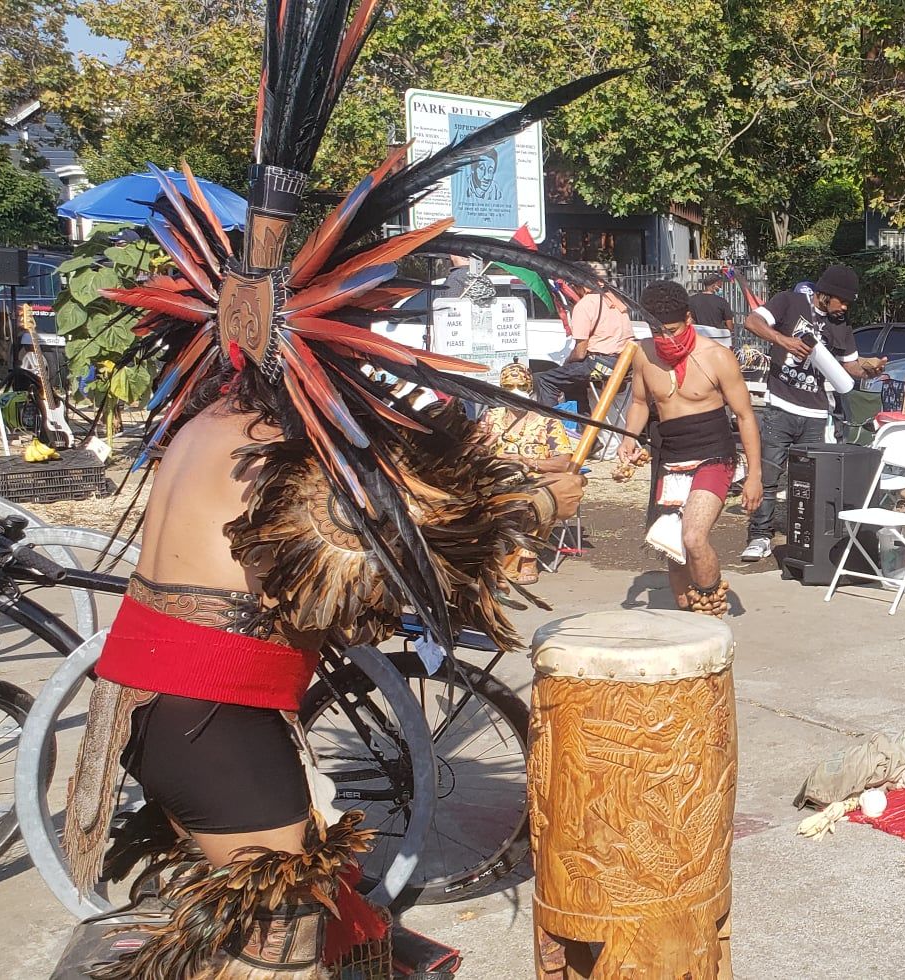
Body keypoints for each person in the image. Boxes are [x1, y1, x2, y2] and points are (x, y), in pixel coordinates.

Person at [61, 12, 616, 974]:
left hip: (159, 717)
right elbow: (397, 569)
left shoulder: (207, 425)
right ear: (320, 339)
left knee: (285, 930)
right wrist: (530, 501)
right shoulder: (283, 450)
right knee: (286, 953)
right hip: (217, 730)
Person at [618, 281, 763, 615]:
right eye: (657, 331)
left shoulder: (717, 356)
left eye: (671, 330)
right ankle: (689, 613)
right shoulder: (643, 353)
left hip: (714, 453)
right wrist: (629, 437)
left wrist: (755, 475)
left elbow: (745, 416)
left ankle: (712, 605)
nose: (665, 339)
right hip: (670, 455)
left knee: (694, 538)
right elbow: (640, 402)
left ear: (688, 318)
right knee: (673, 547)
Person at [739, 264, 887, 562]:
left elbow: (849, 368)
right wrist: (784, 341)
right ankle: (760, 535)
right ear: (824, 294)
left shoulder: (841, 325)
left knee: (807, 481)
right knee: (769, 474)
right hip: (780, 405)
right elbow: (751, 322)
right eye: (841, 301)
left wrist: (870, 366)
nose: (844, 307)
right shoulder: (789, 302)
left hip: (817, 413)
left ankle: (802, 538)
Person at [482, 363, 581, 584]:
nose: (515, 391)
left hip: (536, 478)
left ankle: (527, 559)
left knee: (536, 500)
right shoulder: (492, 418)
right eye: (508, 386)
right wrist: (483, 444)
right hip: (497, 477)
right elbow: (474, 450)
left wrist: (527, 462)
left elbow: (564, 462)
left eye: (521, 386)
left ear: (530, 389)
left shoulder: (546, 421)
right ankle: (487, 557)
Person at [533, 281, 636, 408]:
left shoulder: (585, 305)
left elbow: (580, 353)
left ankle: (551, 425)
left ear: (579, 287)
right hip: (626, 365)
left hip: (600, 364)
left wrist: (567, 361)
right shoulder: (615, 301)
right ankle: (583, 424)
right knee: (573, 381)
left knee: (545, 380)